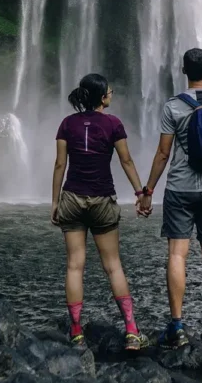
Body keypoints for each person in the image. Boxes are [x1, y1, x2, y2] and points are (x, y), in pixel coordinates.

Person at [138, 48, 202, 347]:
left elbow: (162, 153)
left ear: (183, 70)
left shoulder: (173, 106)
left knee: (176, 255)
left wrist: (148, 191)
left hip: (179, 189)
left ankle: (177, 326)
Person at [52, 73, 149, 351]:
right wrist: (141, 193)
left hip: (71, 197)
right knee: (113, 265)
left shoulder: (67, 124)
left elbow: (60, 165)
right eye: (109, 90)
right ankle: (131, 332)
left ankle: (76, 333)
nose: (112, 92)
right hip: (103, 199)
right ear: (102, 97)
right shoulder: (113, 124)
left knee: (74, 266)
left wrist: (55, 201)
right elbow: (126, 160)